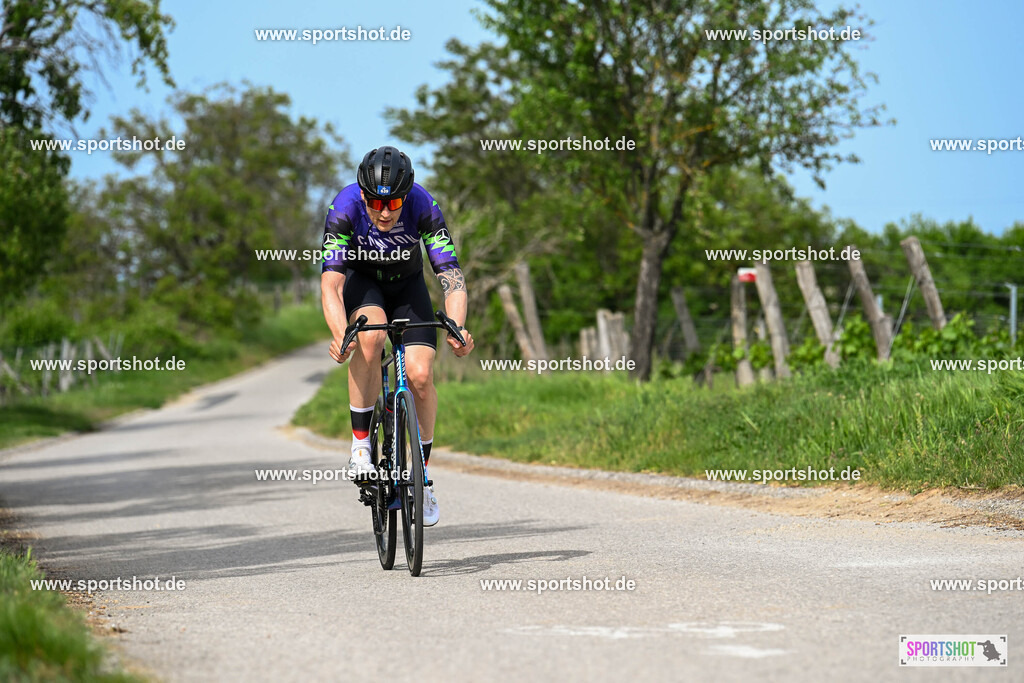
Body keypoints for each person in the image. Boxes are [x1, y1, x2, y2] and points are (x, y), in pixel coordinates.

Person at [320, 145, 474, 527]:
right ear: (362, 195)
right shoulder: (344, 208)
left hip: (408, 289)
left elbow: (451, 276)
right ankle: (360, 445)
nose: (385, 212)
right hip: (364, 285)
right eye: (376, 202)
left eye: (395, 203)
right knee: (369, 341)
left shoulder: (423, 204)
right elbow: (332, 285)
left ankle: (421, 475)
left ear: (408, 194)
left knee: (421, 376)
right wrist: (342, 336)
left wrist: (457, 327)